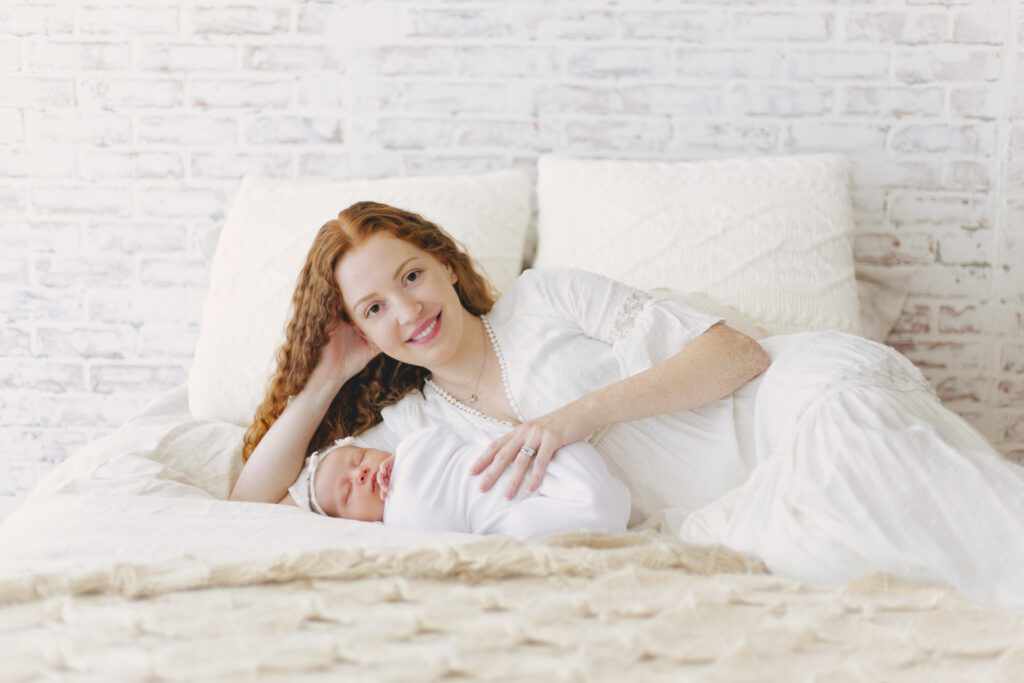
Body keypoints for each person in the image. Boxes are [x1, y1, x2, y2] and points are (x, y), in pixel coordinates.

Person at [230, 201, 1024, 608]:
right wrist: (327, 372)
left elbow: (736, 355)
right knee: (856, 556)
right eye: (373, 310)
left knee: (866, 451)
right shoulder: (416, 428)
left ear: (440, 259)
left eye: (409, 276)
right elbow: (249, 499)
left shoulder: (544, 298)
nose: (406, 312)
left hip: (773, 414)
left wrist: (577, 416)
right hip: (717, 514)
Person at [283, 425, 630, 541]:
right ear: (351, 523)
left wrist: (403, 458)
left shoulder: (412, 445)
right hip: (516, 513)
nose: (359, 475)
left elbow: (455, 440)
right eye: (347, 492)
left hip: (533, 469)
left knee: (568, 455)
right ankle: (600, 516)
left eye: (358, 459)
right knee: (529, 531)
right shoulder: (398, 529)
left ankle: (602, 502)